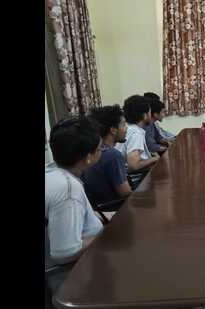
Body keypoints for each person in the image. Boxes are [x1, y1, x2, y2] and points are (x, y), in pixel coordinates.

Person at [45, 116, 104, 293]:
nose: (103, 151)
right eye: (100, 149)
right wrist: (106, 234)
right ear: (88, 157)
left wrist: (103, 216)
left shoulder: (52, 171)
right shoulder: (68, 189)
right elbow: (64, 253)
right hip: (69, 277)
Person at [82, 105, 132, 207]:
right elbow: (125, 193)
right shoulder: (113, 156)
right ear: (113, 130)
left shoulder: (90, 152)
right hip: (114, 210)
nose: (126, 128)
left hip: (96, 209)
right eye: (123, 125)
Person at [116, 95, 160, 172]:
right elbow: (134, 165)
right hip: (136, 178)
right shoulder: (136, 134)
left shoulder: (127, 127)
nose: (151, 115)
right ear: (144, 115)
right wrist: (154, 159)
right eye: (150, 112)